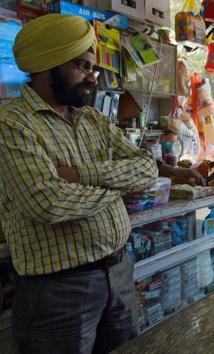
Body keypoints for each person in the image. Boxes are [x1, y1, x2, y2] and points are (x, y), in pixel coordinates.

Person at [0, 14, 159, 353]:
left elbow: (147, 168)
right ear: (48, 66)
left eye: (94, 68)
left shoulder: (92, 119)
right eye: (83, 67)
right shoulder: (12, 124)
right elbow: (48, 202)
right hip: (58, 291)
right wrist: (118, 187)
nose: (93, 78)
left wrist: (84, 175)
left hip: (118, 272)